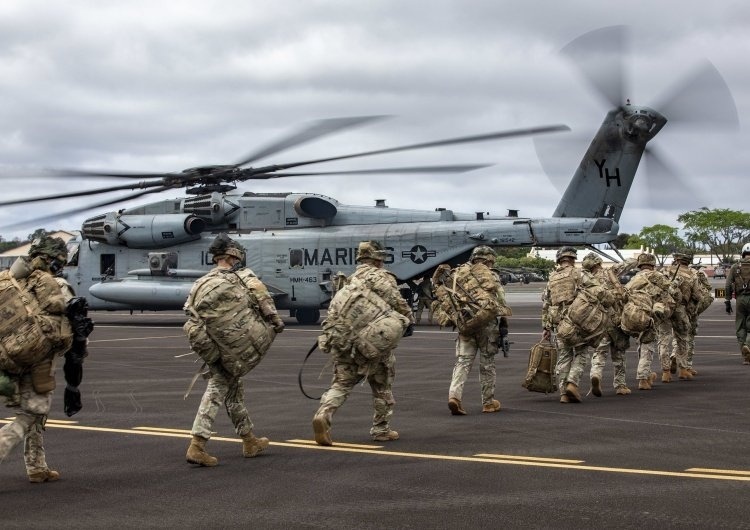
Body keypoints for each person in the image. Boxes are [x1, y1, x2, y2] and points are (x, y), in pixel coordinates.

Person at [184, 234, 284, 467]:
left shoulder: (201, 283)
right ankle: (197, 445)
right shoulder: (242, 276)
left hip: (211, 346)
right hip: (232, 350)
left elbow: (191, 313)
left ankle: (250, 441)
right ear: (233, 255)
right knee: (218, 389)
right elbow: (264, 300)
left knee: (233, 393)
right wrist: (276, 323)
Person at [313, 241, 413, 445]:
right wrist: (407, 320)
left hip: (345, 342)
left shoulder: (349, 281)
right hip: (373, 344)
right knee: (382, 385)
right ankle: (381, 429)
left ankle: (324, 414)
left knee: (341, 383)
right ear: (378, 260)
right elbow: (399, 304)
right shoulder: (381, 278)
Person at [0, 236, 79, 483]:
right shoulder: (55, 285)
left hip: (7, 356)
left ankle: (36, 466)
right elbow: (70, 326)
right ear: (53, 261)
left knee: (33, 411)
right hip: (36, 361)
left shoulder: (8, 280)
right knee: (32, 412)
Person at [542, 247, 612, 403]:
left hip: (560, 324)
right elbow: (598, 290)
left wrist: (546, 327)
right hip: (579, 321)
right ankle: (572, 383)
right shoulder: (579, 274)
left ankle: (563, 394)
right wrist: (609, 299)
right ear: (573, 259)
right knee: (581, 353)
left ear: (559, 260)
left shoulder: (552, 278)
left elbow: (546, 303)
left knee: (564, 356)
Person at [447, 246, 510, 415]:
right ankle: (488, 402)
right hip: (487, 326)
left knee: (462, 362)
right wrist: (503, 323)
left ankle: (455, 396)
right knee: (487, 363)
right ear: (489, 260)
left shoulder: (458, 273)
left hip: (465, 323)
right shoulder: (490, 275)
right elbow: (501, 301)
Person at [586, 253, 635, 396]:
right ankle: (620, 385)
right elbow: (630, 263)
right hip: (615, 319)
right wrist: (637, 259)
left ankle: (596, 375)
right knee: (619, 353)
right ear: (599, 263)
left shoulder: (586, 279)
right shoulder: (610, 272)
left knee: (599, 353)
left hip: (597, 321)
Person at [624, 253, 675, 390]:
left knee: (641, 345)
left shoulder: (634, 279)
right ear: (653, 265)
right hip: (650, 316)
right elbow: (672, 291)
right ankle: (643, 378)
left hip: (634, 315)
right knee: (648, 346)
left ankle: (646, 374)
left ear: (640, 265)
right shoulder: (657, 276)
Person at [657, 251, 704, 382]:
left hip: (665, 307)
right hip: (680, 309)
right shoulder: (692, 274)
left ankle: (665, 372)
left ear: (676, 260)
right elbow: (697, 295)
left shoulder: (665, 271)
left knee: (663, 339)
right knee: (682, 338)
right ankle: (683, 369)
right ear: (688, 261)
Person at [725, 243, 750, 365]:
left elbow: (728, 284)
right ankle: (748, 345)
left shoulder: (736, 267)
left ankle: (745, 355)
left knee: (740, 326)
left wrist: (727, 301)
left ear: (743, 253)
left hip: (740, 299)